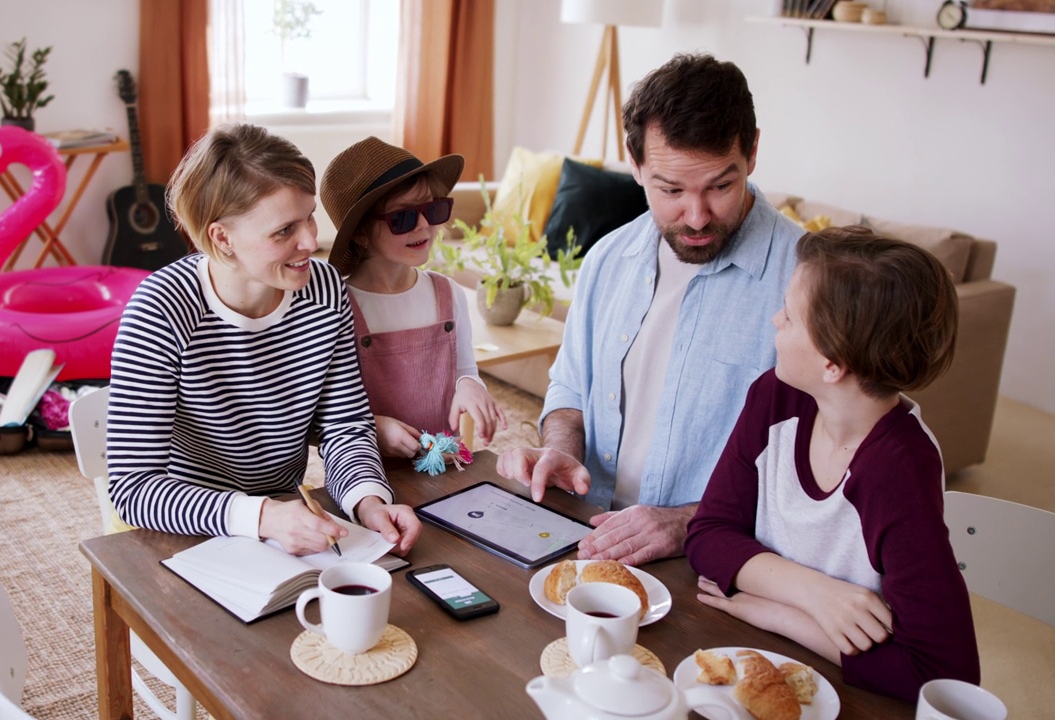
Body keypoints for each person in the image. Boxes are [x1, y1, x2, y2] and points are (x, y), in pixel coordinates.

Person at [496, 53, 803, 564]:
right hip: (584, 539)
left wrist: (687, 521)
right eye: (671, 190)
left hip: (713, 564)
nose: (698, 216)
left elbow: (817, 473)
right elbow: (571, 387)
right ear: (635, 165)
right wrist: (563, 451)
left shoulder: (805, 282)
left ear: (752, 152)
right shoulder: (607, 259)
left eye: (720, 186)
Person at [684, 226, 977, 701]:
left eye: (792, 317)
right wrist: (815, 594)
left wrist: (776, 612)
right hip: (757, 660)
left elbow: (944, 676)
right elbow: (710, 533)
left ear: (832, 364)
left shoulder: (899, 470)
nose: (776, 318)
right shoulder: (774, 397)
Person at [105, 123, 421, 556]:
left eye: (310, 216)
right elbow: (134, 488)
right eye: (284, 230)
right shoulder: (162, 307)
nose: (311, 240)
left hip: (289, 518)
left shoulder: (325, 291)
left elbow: (345, 426)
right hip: (187, 528)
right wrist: (260, 517)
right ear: (222, 238)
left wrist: (368, 501)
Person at [320, 137, 506, 461]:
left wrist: (470, 385)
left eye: (433, 210)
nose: (423, 226)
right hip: (366, 475)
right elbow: (325, 411)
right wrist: (374, 428)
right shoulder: (339, 307)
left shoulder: (448, 294)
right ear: (361, 233)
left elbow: (464, 369)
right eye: (403, 218)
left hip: (445, 464)